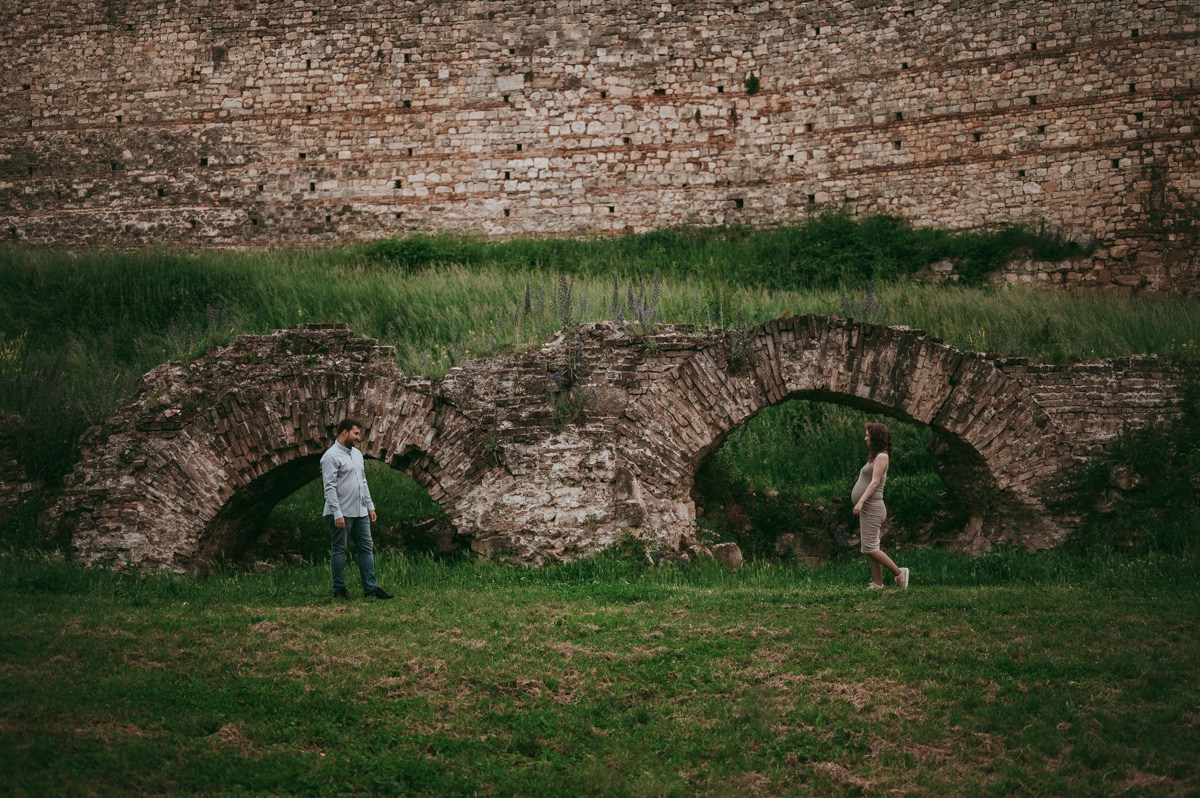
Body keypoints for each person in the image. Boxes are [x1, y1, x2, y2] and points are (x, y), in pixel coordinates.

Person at [321, 418, 393, 600]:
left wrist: (370, 506)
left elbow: (363, 482)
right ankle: (339, 590)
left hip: (360, 511)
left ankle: (371, 589)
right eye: (356, 433)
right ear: (344, 432)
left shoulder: (357, 454)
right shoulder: (330, 456)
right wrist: (337, 513)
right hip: (341, 512)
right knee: (340, 549)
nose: (358, 437)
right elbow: (329, 487)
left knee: (366, 548)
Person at [852, 421, 909, 591]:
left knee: (869, 548)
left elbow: (875, 482)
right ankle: (878, 583)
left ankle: (899, 573)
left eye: (868, 436)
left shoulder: (882, 457)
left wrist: (860, 501)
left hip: (872, 507)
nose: (865, 438)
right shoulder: (876, 457)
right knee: (872, 547)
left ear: (875, 438)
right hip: (869, 508)